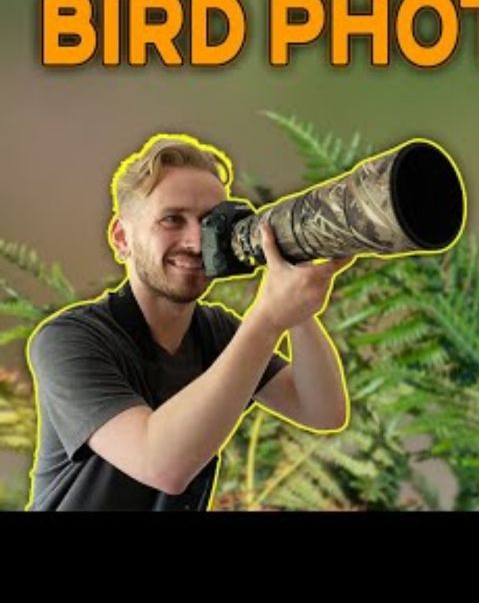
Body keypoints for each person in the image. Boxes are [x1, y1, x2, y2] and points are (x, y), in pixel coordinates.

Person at [25, 134, 350, 510]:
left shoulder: (215, 333)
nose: (196, 243)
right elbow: (160, 464)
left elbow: (322, 410)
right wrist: (268, 318)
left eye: (211, 224)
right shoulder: (68, 341)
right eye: (172, 220)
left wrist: (297, 299)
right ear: (121, 238)